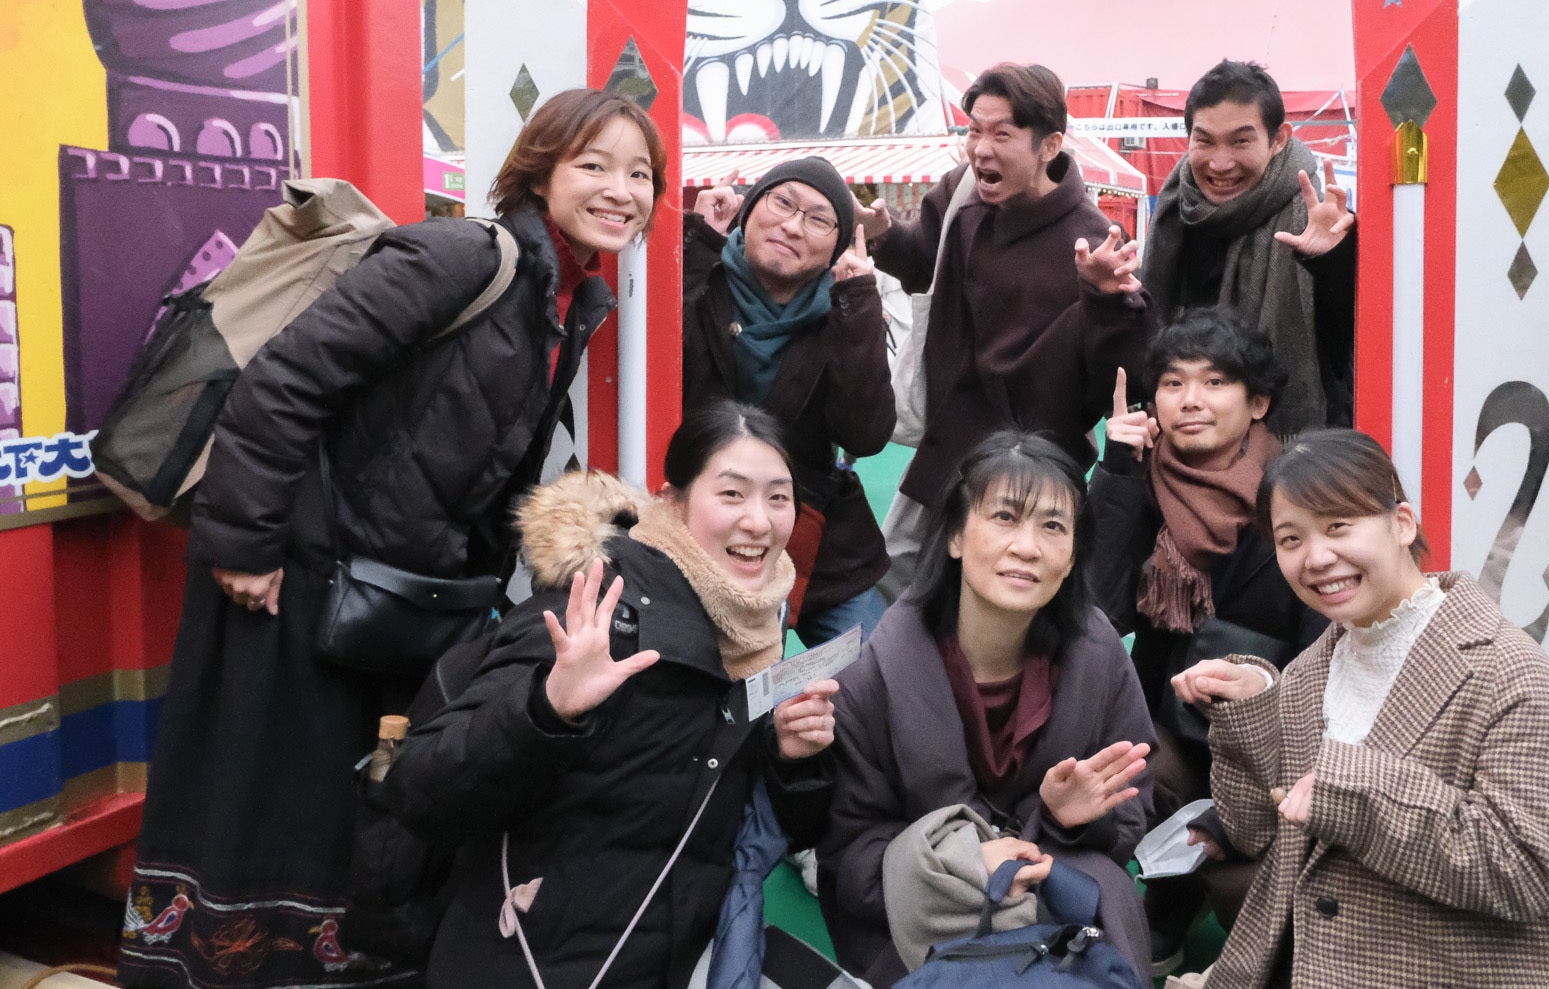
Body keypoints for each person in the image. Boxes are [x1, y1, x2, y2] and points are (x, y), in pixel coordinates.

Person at [120, 90, 661, 987]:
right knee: (253, 811)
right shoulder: (464, 255)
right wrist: (245, 544)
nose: (621, 189)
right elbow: (285, 379)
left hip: (389, 603)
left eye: (639, 174)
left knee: (339, 816)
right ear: (541, 170)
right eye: (593, 164)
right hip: (295, 579)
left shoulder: (571, 297)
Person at [381, 403, 839, 986]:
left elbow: (760, 826)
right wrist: (546, 708)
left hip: (670, 963)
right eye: (731, 494)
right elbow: (419, 789)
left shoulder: (757, 633)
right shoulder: (593, 611)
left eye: (778, 498)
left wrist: (792, 761)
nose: (759, 521)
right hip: (528, 963)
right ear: (672, 501)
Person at [1171, 430, 1549, 988]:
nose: (1317, 558)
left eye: (1338, 526)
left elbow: (1521, 872)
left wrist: (1352, 791)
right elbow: (1253, 833)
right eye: (1291, 539)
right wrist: (1252, 710)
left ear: (1403, 524)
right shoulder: (1308, 672)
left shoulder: (1509, 670)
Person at [817, 431, 1156, 986]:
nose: (1027, 547)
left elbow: (1133, 811)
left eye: (1053, 526)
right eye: (1004, 517)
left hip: (1061, 913)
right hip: (931, 928)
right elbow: (849, 856)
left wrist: (1069, 821)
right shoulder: (874, 676)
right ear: (954, 534)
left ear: (1073, 555)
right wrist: (968, 862)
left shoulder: (1098, 658)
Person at [859, 62, 1157, 593]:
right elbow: (925, 258)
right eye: (974, 130)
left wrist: (1106, 299)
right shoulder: (959, 195)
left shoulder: (1092, 242)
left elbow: (1127, 372)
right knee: (895, 583)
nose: (981, 149)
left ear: (1049, 146)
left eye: (1002, 134)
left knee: (1004, 598)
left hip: (1031, 473)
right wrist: (883, 233)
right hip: (945, 452)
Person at [1084, 307, 1321, 968]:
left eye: (1215, 382)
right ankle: (1165, 896)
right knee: (1126, 769)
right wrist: (1118, 470)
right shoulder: (1140, 476)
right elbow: (1098, 609)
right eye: (1173, 382)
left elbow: (1325, 651)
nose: (1190, 400)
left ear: (1258, 403)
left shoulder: (1300, 491)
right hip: (1169, 717)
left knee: (1241, 881)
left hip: (1276, 732)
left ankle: (1261, 921)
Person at [687, 157, 893, 646]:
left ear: (836, 248)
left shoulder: (842, 309)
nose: (793, 226)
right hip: (695, 530)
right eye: (782, 202)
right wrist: (697, 241)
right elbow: (660, 364)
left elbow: (865, 434)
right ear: (750, 207)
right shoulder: (701, 277)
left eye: (819, 220)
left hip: (817, 536)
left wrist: (859, 302)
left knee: (873, 675)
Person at [1141, 60, 1354, 432]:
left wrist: (1334, 260)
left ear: (1278, 139)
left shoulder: (1317, 220)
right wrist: (1105, 297)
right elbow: (1147, 338)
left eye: (1241, 141)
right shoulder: (1176, 214)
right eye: (1205, 141)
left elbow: (1349, 342)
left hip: (1293, 449)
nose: (1220, 163)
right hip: (1186, 434)